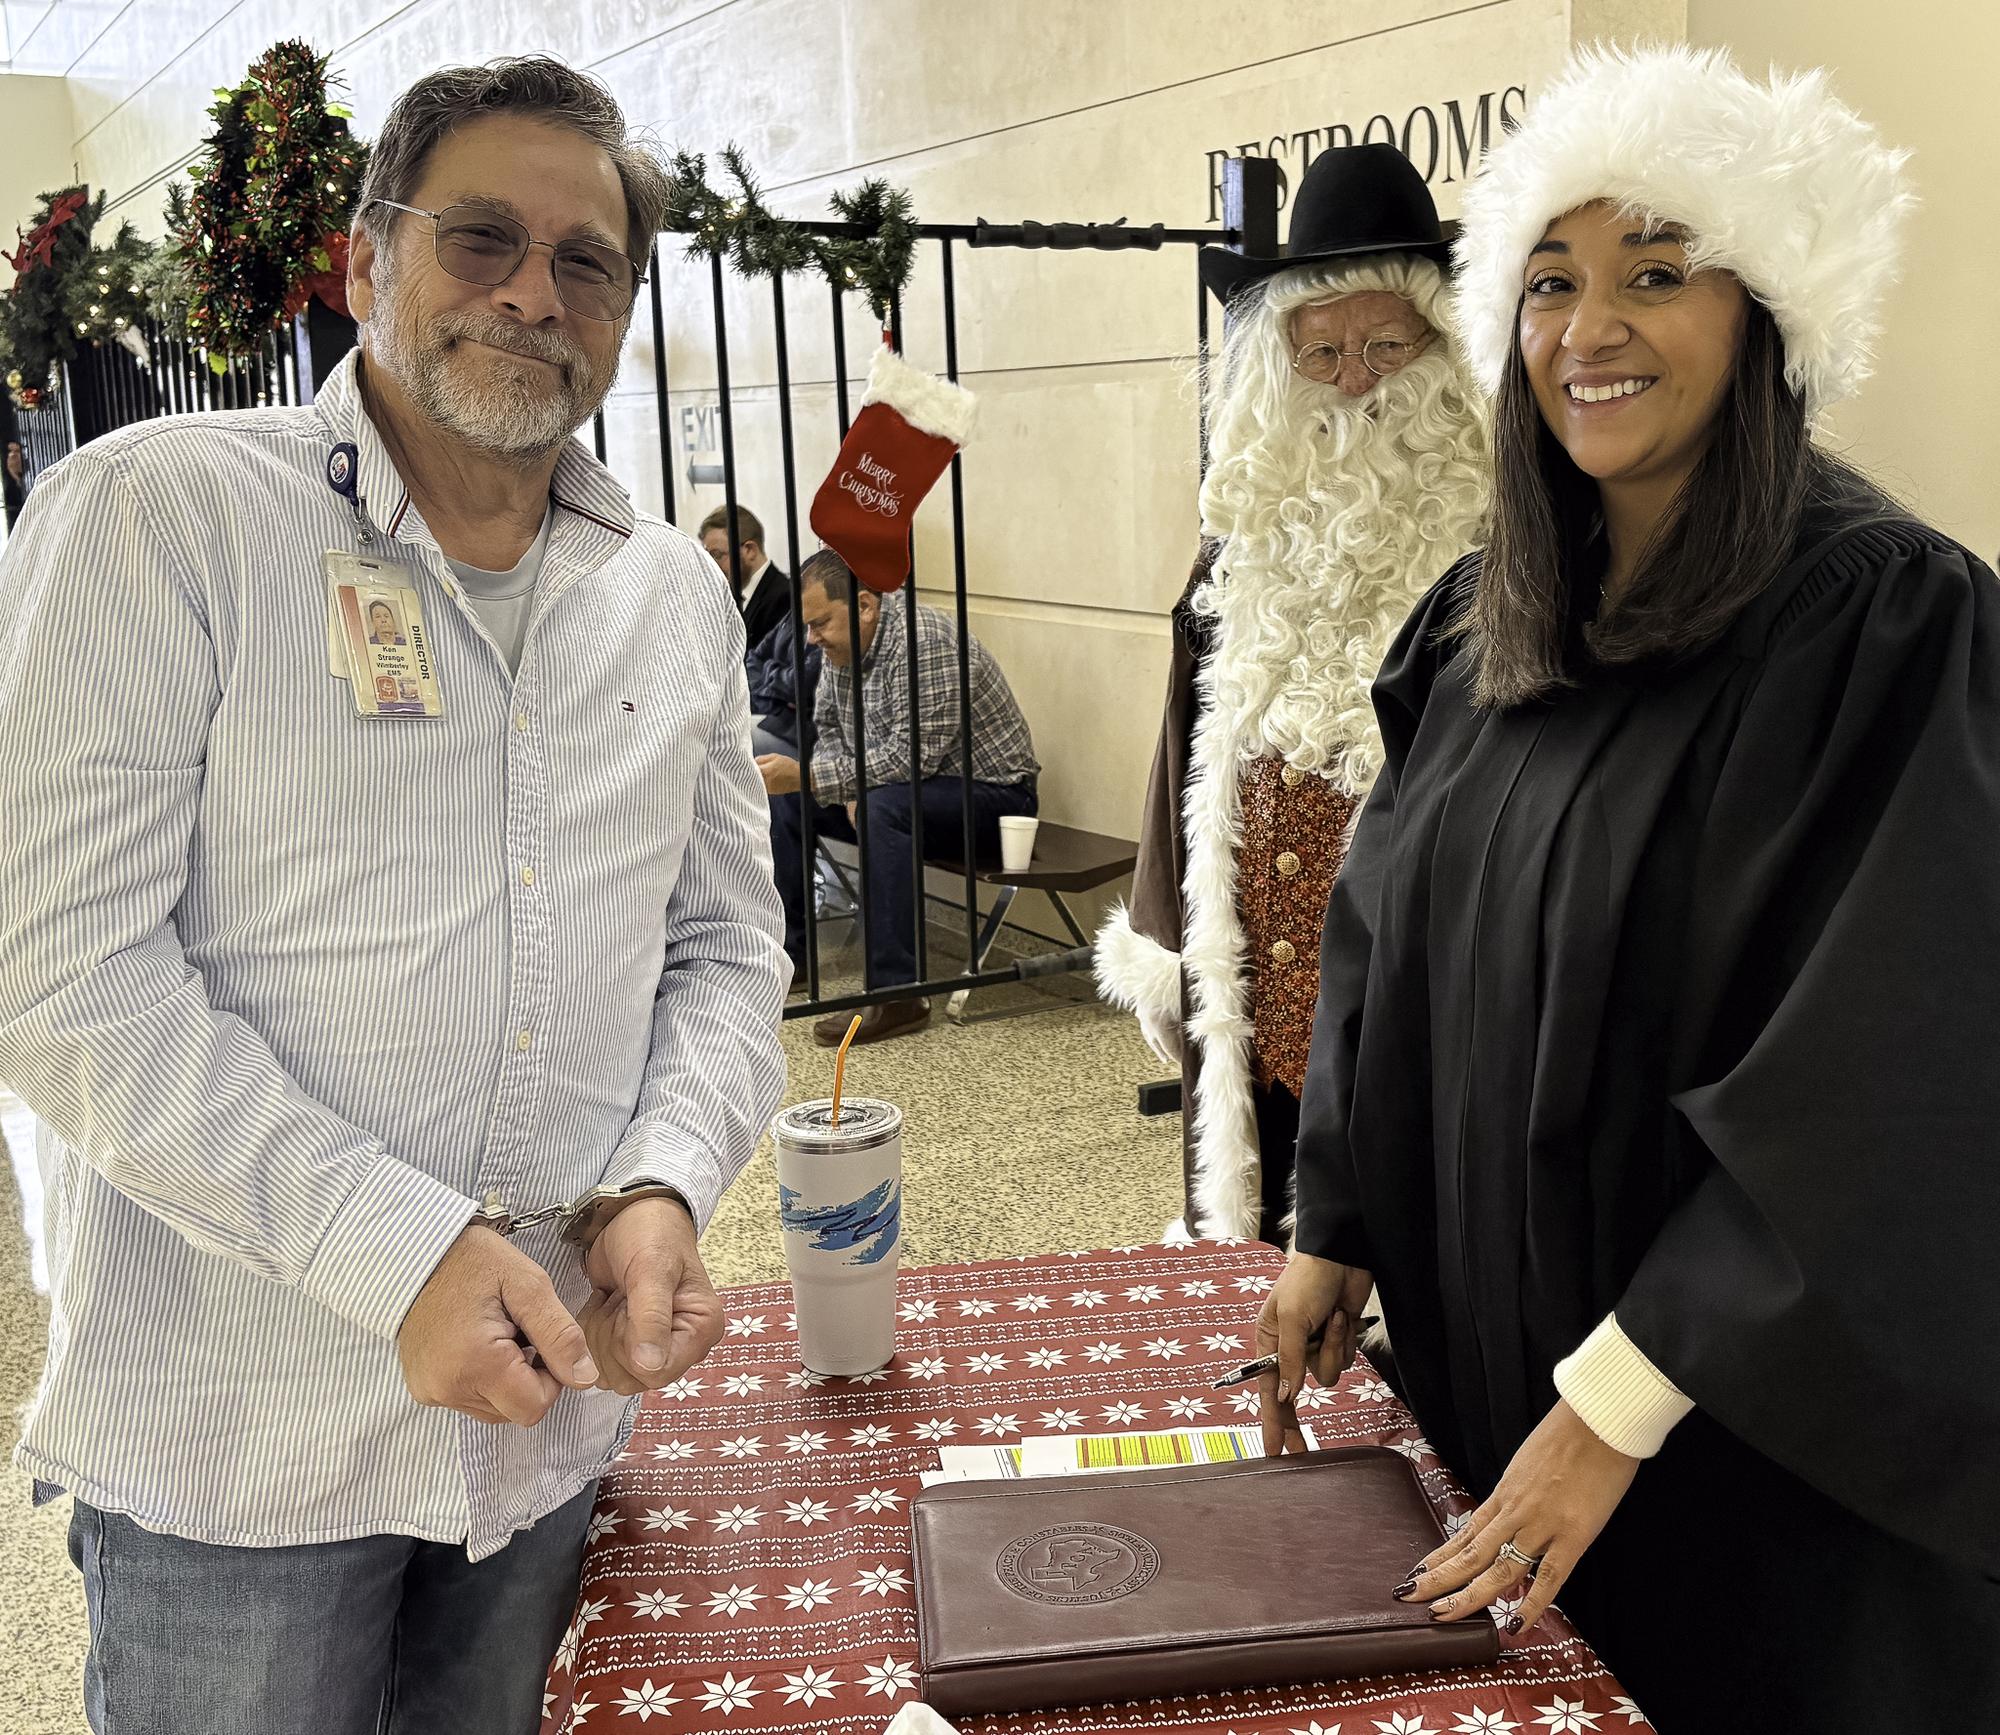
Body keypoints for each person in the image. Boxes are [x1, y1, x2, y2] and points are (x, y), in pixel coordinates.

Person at [0, 57, 788, 1735]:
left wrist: (662, 1179)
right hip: (247, 1445)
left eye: (588, 262)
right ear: (370, 261)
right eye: (482, 237)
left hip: (551, 1417)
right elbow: (61, 978)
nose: (535, 293)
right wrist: (401, 1255)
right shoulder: (158, 521)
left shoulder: (668, 596)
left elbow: (725, 949)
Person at [1256, 46, 2000, 1732]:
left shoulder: (1882, 621)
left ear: (1768, 312)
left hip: (1743, 1452)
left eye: (1658, 274)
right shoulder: (1486, 618)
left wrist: (1615, 1402)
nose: (1589, 329)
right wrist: (1334, 1224)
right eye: (1550, 281)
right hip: (1493, 1390)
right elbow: (1387, 933)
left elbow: (1893, 1074)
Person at [1094, 144, 1488, 1244]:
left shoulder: (1507, 547)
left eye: (1385, 345)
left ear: (1442, 348)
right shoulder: (1240, 539)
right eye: (1319, 351)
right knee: (1257, 1244)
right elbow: (1180, 750)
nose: (1353, 380)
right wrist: (1165, 938)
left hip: (1422, 1003)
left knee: (1415, 1249)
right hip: (1253, 1005)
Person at [759, 549, 1038, 1046]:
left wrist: (829, 780)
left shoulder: (923, 641)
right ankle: (792, 957)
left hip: (994, 796)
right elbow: (829, 729)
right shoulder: (843, 649)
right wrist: (843, 784)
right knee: (791, 800)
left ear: (865, 606)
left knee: (878, 805)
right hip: (902, 790)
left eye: (820, 623)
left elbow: (912, 760)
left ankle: (898, 994)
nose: (811, 638)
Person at [700, 501, 790, 648]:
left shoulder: (783, 599)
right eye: (707, 557)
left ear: (750, 550)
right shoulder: (730, 597)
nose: (710, 567)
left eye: (717, 555)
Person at [745, 605, 820, 758]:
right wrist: (775, 676)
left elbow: (798, 686)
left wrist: (767, 668)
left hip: (800, 733)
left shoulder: (827, 619)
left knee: (727, 738)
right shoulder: (795, 610)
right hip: (771, 714)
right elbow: (753, 658)